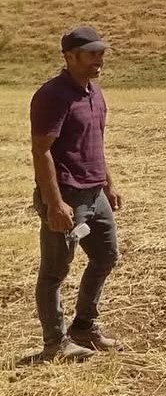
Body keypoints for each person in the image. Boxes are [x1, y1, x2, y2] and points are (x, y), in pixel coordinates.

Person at [29, 26, 123, 362]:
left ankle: (84, 325)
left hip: (95, 192)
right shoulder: (52, 95)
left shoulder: (94, 93)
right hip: (66, 195)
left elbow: (96, 143)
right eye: (92, 53)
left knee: (107, 256)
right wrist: (55, 203)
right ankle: (55, 343)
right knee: (54, 272)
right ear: (70, 57)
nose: (99, 60)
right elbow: (41, 151)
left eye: (101, 53)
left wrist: (108, 184)